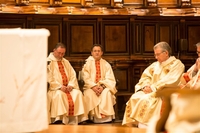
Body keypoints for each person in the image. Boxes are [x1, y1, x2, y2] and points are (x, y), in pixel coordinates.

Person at [122, 41, 185, 128]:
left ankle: (146, 124)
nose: (156, 57)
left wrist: (153, 88)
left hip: (164, 92)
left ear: (166, 53)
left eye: (158, 54)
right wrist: (145, 86)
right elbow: (145, 77)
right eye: (155, 55)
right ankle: (134, 124)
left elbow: (170, 80)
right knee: (135, 97)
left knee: (146, 99)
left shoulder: (177, 64)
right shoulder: (155, 65)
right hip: (150, 90)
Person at [47, 42, 88, 125]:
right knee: (59, 94)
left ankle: (80, 118)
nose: (60, 55)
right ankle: (59, 118)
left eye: (63, 53)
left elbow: (73, 75)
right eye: (59, 53)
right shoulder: (48, 62)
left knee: (78, 93)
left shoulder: (65, 62)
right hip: (55, 89)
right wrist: (59, 86)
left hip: (68, 88)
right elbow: (49, 78)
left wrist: (71, 85)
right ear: (54, 51)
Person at [81, 44, 117, 123]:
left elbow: (110, 78)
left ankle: (106, 117)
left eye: (98, 51)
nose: (97, 53)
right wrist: (93, 86)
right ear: (92, 53)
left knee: (107, 93)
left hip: (103, 87)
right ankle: (92, 117)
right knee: (89, 94)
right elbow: (86, 78)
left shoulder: (106, 64)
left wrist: (102, 87)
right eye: (95, 51)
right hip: (91, 87)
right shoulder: (87, 64)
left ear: (102, 53)